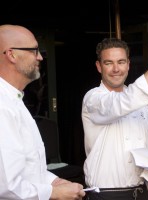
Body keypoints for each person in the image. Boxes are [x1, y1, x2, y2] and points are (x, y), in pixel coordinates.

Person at [81, 28, 148, 200]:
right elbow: (124, 102)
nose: (116, 69)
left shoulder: (144, 108)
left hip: (141, 192)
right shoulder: (93, 98)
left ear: (128, 64)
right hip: (105, 194)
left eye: (121, 62)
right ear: (98, 66)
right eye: (109, 63)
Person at [0, 24, 85, 199]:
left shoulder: (15, 100)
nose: (40, 57)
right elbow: (7, 187)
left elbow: (28, 168)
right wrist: (54, 192)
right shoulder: (3, 105)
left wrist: (53, 181)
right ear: (12, 54)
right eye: (34, 50)